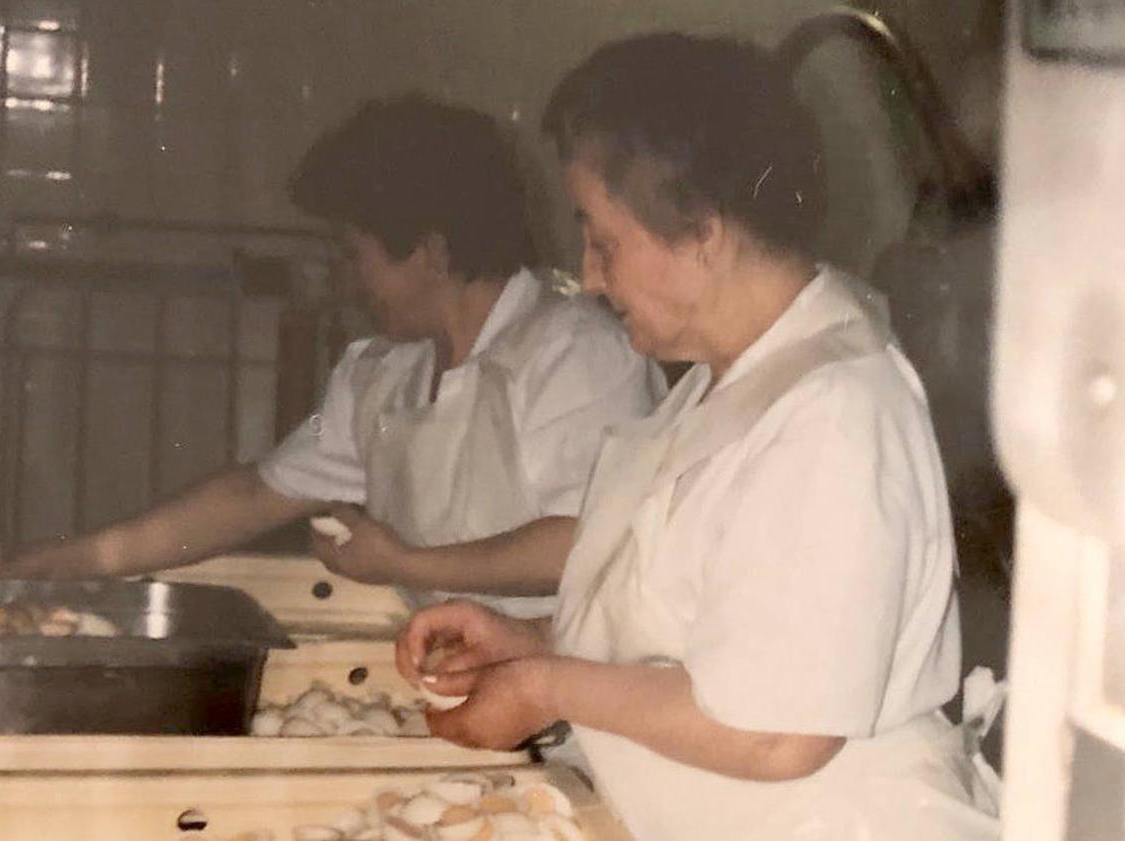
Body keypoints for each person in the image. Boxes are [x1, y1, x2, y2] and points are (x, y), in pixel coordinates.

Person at [394, 35, 999, 841]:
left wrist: (546, 685)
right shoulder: (729, 383)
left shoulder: (836, 409)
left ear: (702, 232)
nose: (592, 275)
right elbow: (696, 635)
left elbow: (777, 730)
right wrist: (528, 642)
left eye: (604, 242)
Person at [0, 94, 664, 617]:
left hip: (574, 731)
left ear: (430, 249)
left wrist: (406, 563)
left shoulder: (578, 353)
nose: (345, 279)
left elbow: (585, 545)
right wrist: (87, 559)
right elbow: (254, 494)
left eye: (352, 253)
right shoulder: (385, 373)